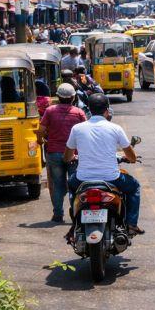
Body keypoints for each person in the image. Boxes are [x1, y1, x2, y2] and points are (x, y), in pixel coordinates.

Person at [63, 93, 143, 235]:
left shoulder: (77, 128)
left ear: (89, 109)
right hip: (112, 178)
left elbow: (67, 157)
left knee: (71, 186)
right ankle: (131, 224)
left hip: (83, 179)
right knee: (134, 187)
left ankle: (75, 222)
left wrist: (73, 157)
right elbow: (131, 156)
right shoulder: (115, 128)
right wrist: (130, 159)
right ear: (107, 110)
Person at [38, 83, 86, 223]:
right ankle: (75, 213)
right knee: (74, 184)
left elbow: (41, 130)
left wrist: (41, 141)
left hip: (54, 153)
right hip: (74, 155)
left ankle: (58, 214)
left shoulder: (50, 111)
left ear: (58, 96)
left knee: (57, 184)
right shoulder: (79, 113)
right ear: (73, 97)